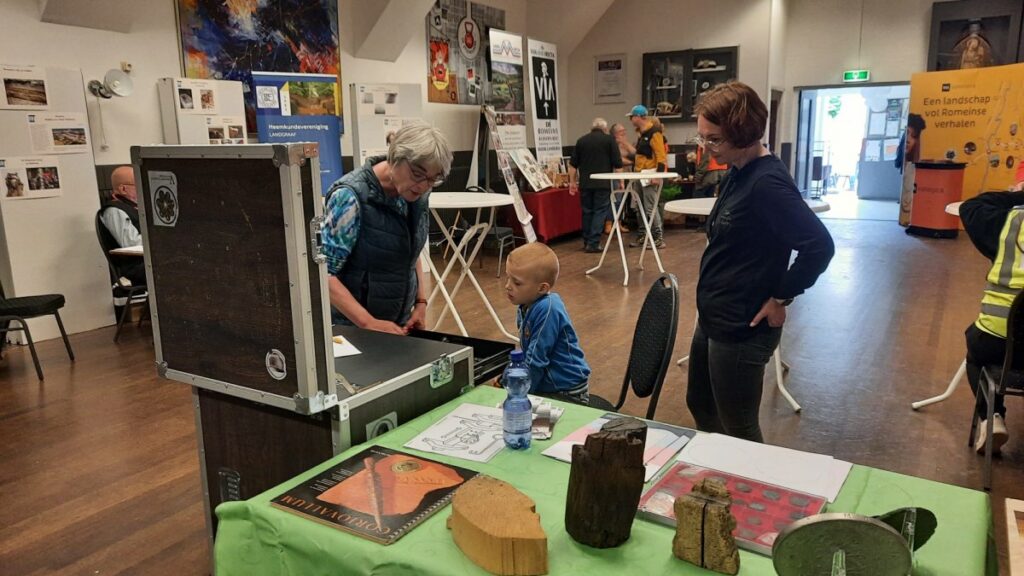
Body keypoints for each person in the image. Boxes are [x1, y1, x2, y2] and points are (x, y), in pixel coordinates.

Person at [686, 82, 835, 443]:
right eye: (702, 137)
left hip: (742, 325)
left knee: (738, 428)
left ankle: (747, 478)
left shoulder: (767, 183)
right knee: (702, 405)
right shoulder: (738, 169)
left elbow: (819, 246)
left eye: (714, 140)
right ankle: (717, 471)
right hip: (716, 315)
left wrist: (781, 296)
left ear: (744, 134)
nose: (705, 148)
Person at [322, 121, 452, 335]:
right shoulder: (349, 198)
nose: (423, 186)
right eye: (417, 174)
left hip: (397, 324)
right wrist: (368, 323)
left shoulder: (416, 194)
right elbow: (324, 274)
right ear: (395, 157)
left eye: (432, 179)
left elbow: (411, 251)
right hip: (353, 330)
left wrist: (420, 303)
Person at [960, 190, 1024, 453]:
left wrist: (1019, 196)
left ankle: (992, 417)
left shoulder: (1009, 223)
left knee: (975, 352)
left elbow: (971, 206)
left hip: (1000, 341)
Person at [503, 243, 591, 405]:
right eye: (508, 277)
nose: (508, 286)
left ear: (542, 288)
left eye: (517, 283)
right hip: (548, 385)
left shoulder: (547, 309)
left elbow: (535, 360)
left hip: (567, 392)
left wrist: (519, 394)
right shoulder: (526, 304)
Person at [569, 118, 622, 253]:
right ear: (605, 129)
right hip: (603, 183)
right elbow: (617, 164)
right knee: (600, 211)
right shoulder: (609, 140)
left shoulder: (581, 141)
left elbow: (573, 165)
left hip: (585, 184)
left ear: (591, 128)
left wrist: (572, 182)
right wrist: (620, 182)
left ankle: (587, 241)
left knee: (587, 211)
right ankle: (593, 243)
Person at [626, 104, 667, 248]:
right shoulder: (642, 134)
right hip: (639, 174)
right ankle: (643, 235)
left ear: (638, 117)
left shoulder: (654, 133)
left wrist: (658, 176)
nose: (631, 120)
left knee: (650, 207)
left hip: (649, 174)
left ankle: (658, 237)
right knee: (639, 207)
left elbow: (661, 156)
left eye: (632, 117)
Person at [99, 165, 146, 285]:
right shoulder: (114, 211)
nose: (142, 188)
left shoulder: (135, 208)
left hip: (147, 262)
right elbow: (131, 243)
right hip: (136, 266)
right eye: (138, 184)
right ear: (123, 189)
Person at [896, 114, 926, 226]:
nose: (908, 140)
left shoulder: (914, 169)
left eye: (913, 136)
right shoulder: (904, 161)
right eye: (907, 133)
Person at [607, 122, 634, 234]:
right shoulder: (611, 144)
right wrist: (631, 162)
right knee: (615, 200)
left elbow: (635, 153)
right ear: (615, 133)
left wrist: (625, 143)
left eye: (624, 131)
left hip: (626, 174)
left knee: (622, 200)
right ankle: (608, 224)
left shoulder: (624, 144)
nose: (624, 133)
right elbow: (618, 160)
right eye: (621, 132)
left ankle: (618, 223)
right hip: (615, 174)